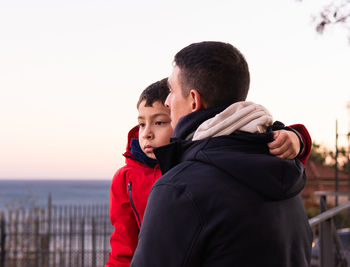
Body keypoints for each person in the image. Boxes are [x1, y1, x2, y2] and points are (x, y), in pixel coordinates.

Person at [130, 42, 313, 267]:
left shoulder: (179, 189)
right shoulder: (284, 172)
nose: (168, 102)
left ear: (194, 101)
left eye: (172, 91)